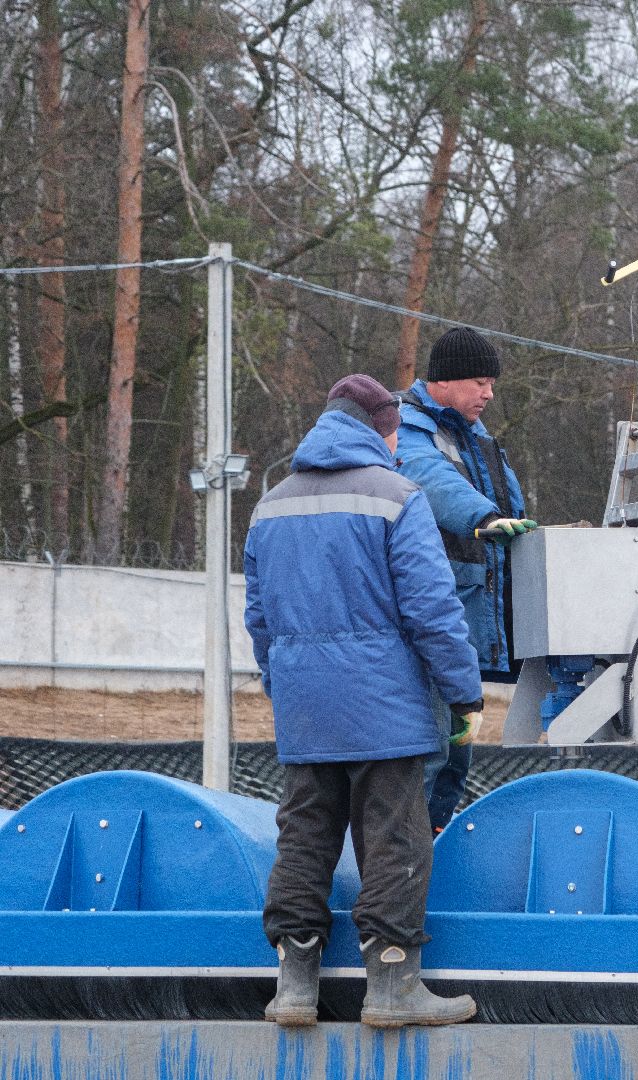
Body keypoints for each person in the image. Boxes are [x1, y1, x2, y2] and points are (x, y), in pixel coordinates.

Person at [245, 374, 484, 1028]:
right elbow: (434, 612)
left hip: (304, 708)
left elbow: (260, 619)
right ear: (380, 431)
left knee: (305, 835)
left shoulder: (272, 505)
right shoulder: (396, 497)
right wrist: (464, 691)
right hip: (386, 710)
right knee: (395, 841)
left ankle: (294, 988)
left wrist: (286, 686)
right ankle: (391, 987)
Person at [396, 327, 536, 832]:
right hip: (424, 628)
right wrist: (483, 516)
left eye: (491, 383)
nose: (489, 394)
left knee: (455, 760)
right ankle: (401, 869)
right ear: (446, 381)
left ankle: (426, 851)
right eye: (480, 381)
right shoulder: (408, 432)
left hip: (461, 632)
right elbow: (428, 480)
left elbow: (514, 514)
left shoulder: (479, 442)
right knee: (429, 751)